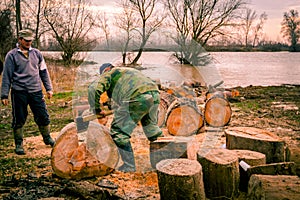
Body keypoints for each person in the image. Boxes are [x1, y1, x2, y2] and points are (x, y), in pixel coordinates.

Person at [88, 63, 163, 172]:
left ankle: (129, 167)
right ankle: (164, 161)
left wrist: (97, 110)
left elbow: (93, 89)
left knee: (118, 131)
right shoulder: (127, 71)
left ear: (106, 70)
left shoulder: (109, 73)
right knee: (152, 129)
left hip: (137, 96)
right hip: (154, 93)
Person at [1, 29, 55, 155]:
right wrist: (4, 94)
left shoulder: (37, 54)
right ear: (20, 39)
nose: (29, 42)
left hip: (36, 91)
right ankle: (19, 143)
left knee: (43, 115)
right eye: (26, 40)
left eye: (30, 40)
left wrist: (49, 88)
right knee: (19, 118)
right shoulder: (12, 55)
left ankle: (47, 138)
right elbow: (6, 76)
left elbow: (44, 72)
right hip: (19, 92)